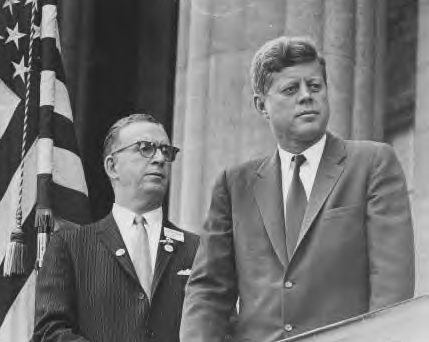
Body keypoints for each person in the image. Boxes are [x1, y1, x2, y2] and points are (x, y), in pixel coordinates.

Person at [180, 36, 415, 342]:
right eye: (291, 89)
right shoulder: (234, 185)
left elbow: (392, 288)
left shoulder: (372, 164)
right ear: (261, 105)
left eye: (315, 86)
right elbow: (208, 291)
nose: (306, 96)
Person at [33, 114, 199, 342]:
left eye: (166, 151)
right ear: (112, 166)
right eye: (145, 148)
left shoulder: (198, 250)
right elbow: (48, 333)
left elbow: (223, 329)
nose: (160, 158)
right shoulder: (70, 246)